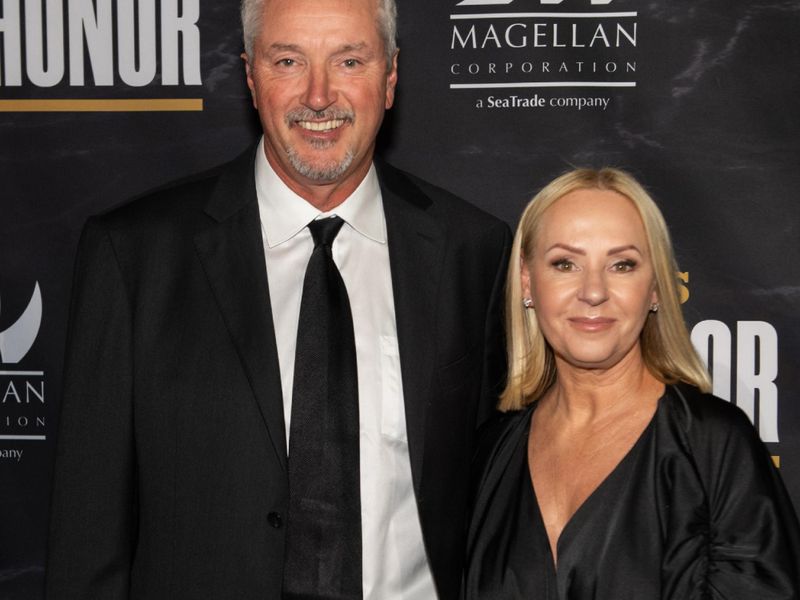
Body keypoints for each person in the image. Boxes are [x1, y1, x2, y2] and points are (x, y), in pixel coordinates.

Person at [45, 0, 511, 598]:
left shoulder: (473, 250)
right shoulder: (134, 256)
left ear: (390, 77)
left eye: (349, 60)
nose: (318, 96)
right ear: (249, 76)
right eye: (288, 60)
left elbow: (497, 511)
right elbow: (88, 539)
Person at [464, 168, 800, 599]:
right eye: (565, 263)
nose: (593, 291)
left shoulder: (712, 445)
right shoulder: (493, 450)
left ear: (657, 287)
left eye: (622, 265)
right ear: (528, 281)